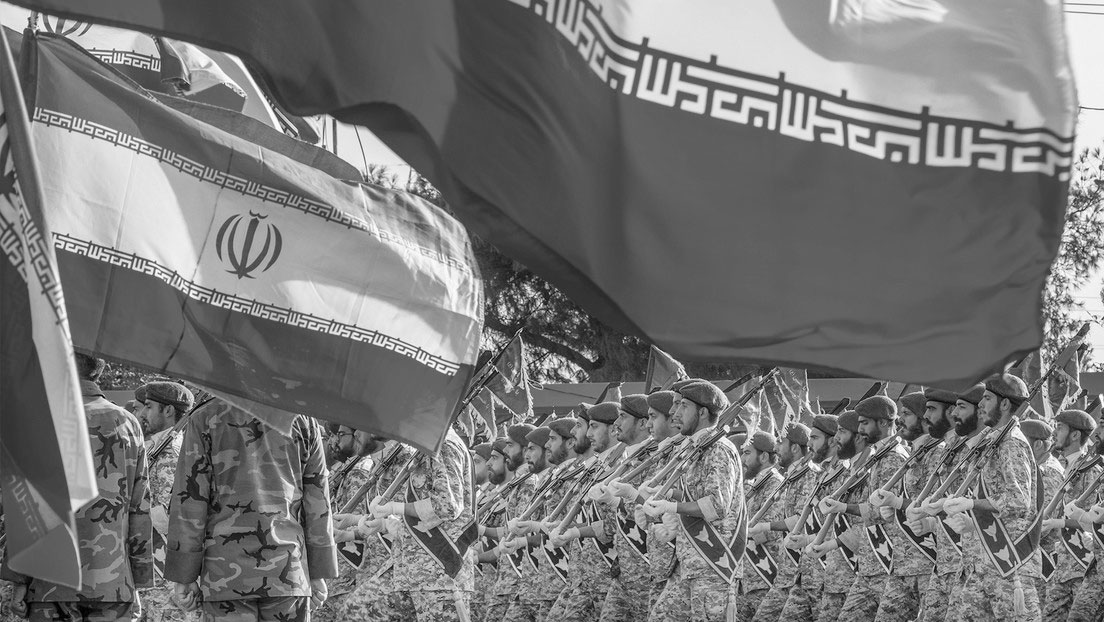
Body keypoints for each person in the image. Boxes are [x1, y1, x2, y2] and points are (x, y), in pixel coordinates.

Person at [3, 352, 152, 622]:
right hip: (112, 581)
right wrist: (137, 581)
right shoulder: (129, 423)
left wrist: (19, 582)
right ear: (98, 373)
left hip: (49, 583)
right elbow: (139, 506)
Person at [165, 398, 337, 622]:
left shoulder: (205, 416)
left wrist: (184, 574)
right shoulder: (303, 419)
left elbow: (190, 499)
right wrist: (318, 571)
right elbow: (318, 499)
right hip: (288, 570)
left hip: (224, 574)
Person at [942, 373, 1041, 622]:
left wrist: (972, 504)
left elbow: (1018, 500)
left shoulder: (1012, 444)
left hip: (1008, 562)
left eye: (987, 398)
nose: (981, 404)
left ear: (1004, 404)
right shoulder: (993, 441)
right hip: (982, 559)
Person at [644, 381, 742, 622]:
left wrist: (671, 506)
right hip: (688, 562)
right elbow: (695, 496)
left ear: (703, 412)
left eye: (683, 406)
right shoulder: (697, 448)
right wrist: (667, 494)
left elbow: (716, 506)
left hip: (713, 565)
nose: (674, 412)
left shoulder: (718, 449)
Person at [363, 424, 474, 621]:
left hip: (440, 574)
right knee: (359, 612)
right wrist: (385, 522)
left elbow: (447, 506)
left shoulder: (443, 445)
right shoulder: (426, 447)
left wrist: (396, 507)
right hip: (415, 571)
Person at [135, 381, 196, 622]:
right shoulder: (156, 448)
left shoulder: (172, 454)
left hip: (165, 582)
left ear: (168, 410)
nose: (142, 413)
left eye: (149, 406)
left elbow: (173, 520)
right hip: (153, 577)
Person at [752, 423, 815, 622]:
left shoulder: (809, 475)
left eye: (781, 442)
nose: (776, 448)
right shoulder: (792, 476)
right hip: (786, 571)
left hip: (804, 571)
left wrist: (766, 526)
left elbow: (802, 518)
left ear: (795, 448)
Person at [1041, 410, 1099, 620]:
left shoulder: (1090, 471)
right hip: (1062, 565)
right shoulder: (1065, 468)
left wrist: (1057, 522)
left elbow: (1092, 520)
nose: (1054, 433)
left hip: (1081, 565)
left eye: (1060, 428)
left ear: (1075, 435)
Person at [735, 431, 784, 622]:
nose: (743, 459)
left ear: (763, 457)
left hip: (763, 576)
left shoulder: (775, 484)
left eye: (747, 453)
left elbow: (769, 531)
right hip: (747, 577)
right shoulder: (753, 483)